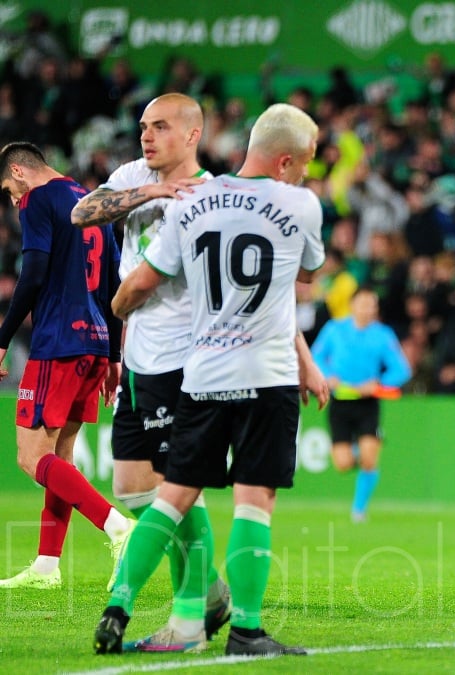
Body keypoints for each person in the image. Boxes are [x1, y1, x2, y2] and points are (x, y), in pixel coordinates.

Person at [94, 103, 328, 657]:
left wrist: (119, 311)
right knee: (253, 501)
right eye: (307, 163)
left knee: (171, 495)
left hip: (200, 373)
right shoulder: (300, 203)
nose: (306, 174)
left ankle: (118, 607)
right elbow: (308, 271)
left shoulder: (193, 202)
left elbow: (142, 282)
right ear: (288, 160)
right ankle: (245, 630)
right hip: (265, 373)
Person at [70, 92, 231, 652]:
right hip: (137, 359)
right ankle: (211, 590)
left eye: (160, 127)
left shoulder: (212, 195)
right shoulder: (135, 174)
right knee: (131, 488)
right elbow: (81, 213)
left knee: (180, 490)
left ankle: (188, 619)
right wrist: (154, 190)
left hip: (186, 364)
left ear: (191, 135)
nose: (146, 136)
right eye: (143, 126)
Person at [0, 142, 134, 590]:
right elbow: (113, 285)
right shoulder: (92, 200)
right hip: (95, 342)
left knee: (29, 457)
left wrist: (2, 340)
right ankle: (46, 565)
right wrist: (114, 355)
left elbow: (33, 273)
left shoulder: (39, 199)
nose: (13, 201)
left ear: (19, 172)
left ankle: (117, 525)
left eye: (8, 190)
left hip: (57, 341)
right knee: (60, 457)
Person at [311, 286, 412, 522]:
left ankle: (359, 510)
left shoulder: (383, 334)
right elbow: (316, 356)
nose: (367, 309)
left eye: (372, 305)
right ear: (353, 305)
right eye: (363, 303)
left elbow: (402, 369)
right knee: (343, 464)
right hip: (340, 402)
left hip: (368, 403)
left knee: (369, 459)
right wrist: (327, 375)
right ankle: (360, 448)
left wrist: (379, 383)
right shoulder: (334, 329)